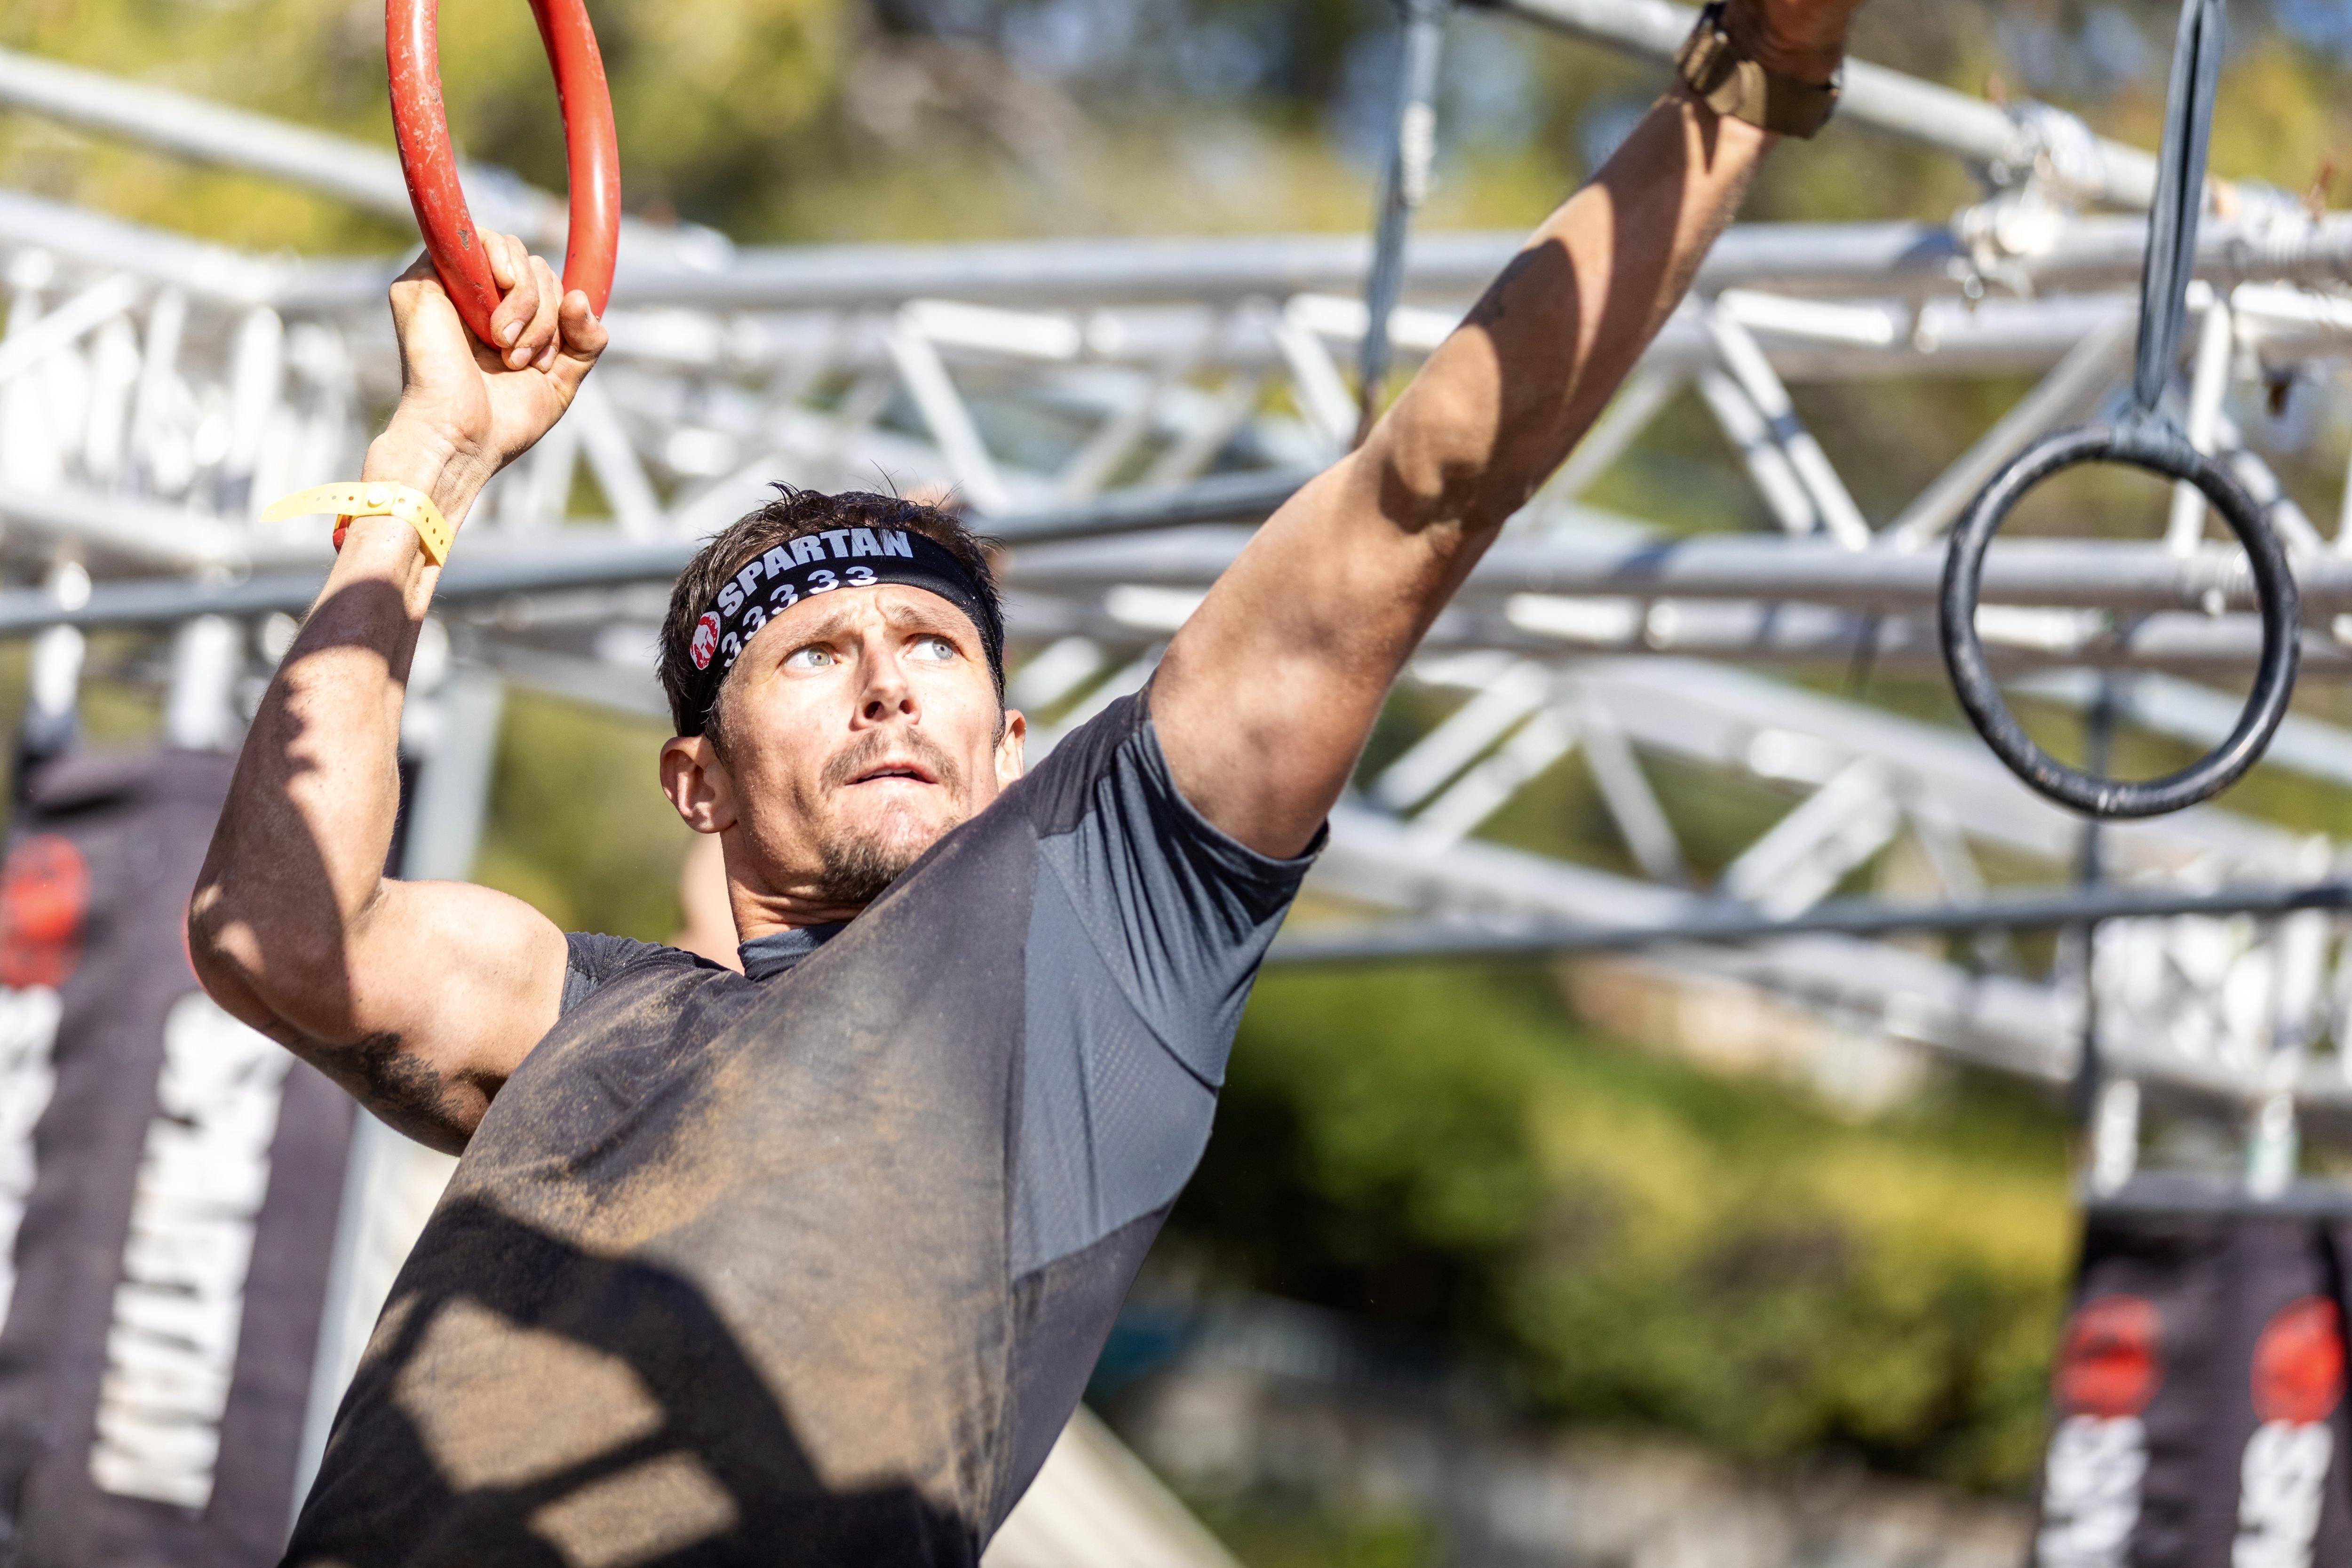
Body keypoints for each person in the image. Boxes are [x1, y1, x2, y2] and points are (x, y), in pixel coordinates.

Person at [188, 0, 1865, 1560]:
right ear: (697, 786)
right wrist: (430, 464)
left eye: (933, 646)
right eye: (812, 656)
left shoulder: (1095, 923)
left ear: (1008, 748)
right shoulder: (576, 1017)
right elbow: (272, 933)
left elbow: (1425, 487)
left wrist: (1747, 89)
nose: (885, 681)